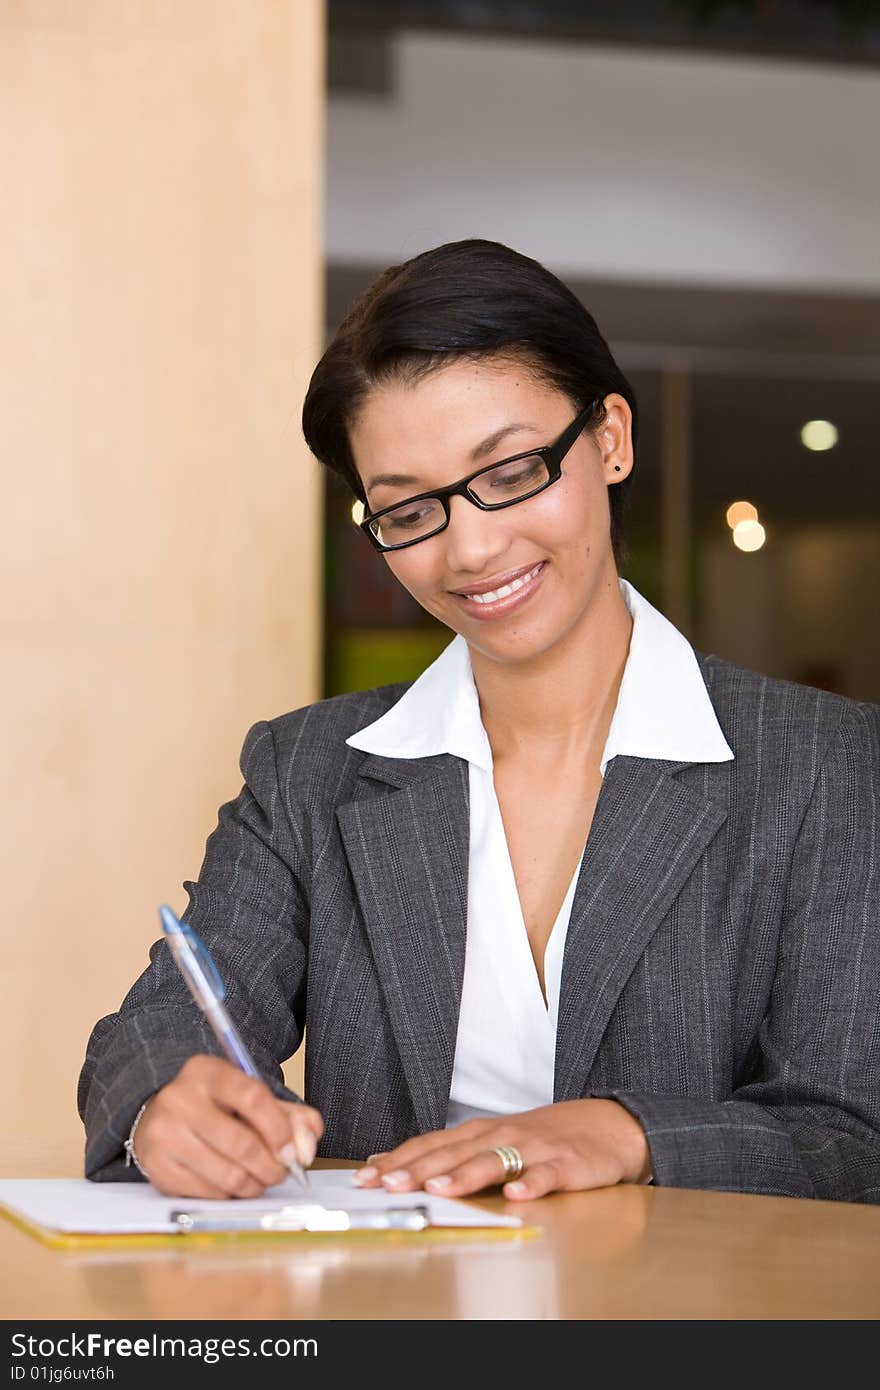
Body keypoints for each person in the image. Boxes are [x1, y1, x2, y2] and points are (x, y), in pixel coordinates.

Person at [78, 238, 880, 1206]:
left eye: (509, 471)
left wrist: (623, 1131)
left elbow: (847, 1135)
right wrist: (168, 1095)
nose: (470, 546)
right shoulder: (308, 770)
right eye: (406, 508)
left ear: (611, 438)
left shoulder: (825, 766)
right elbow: (160, 1027)